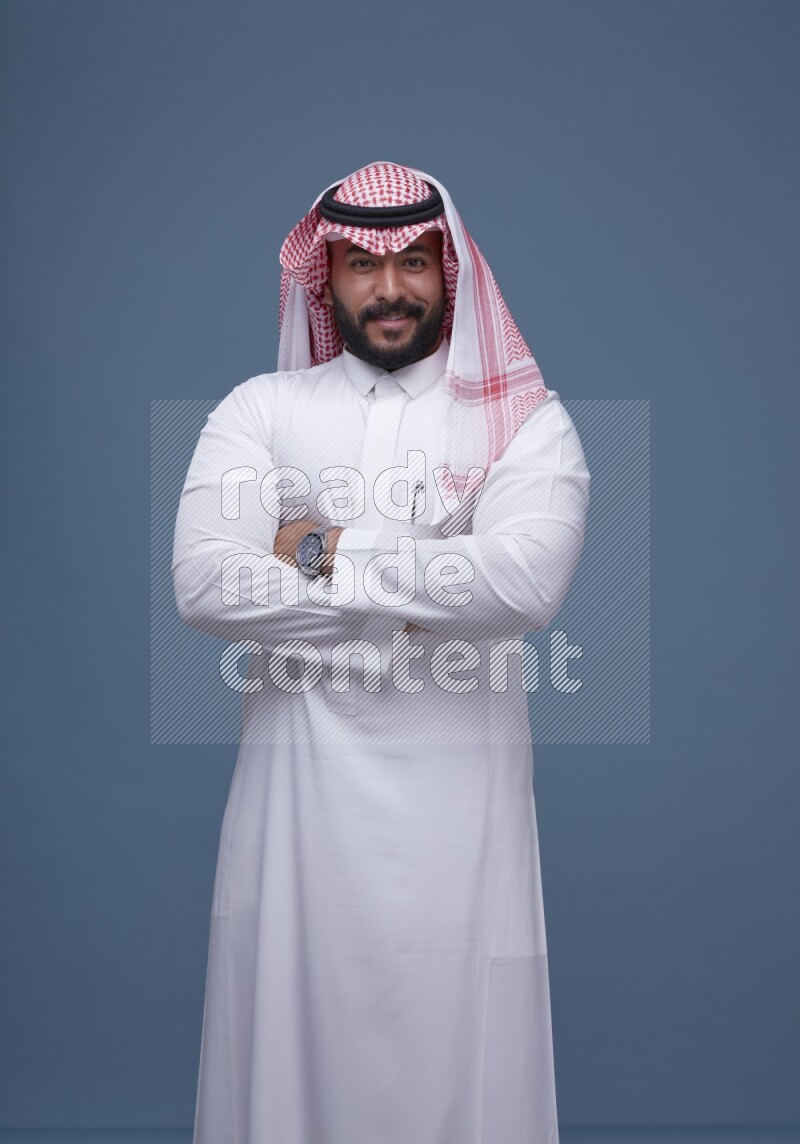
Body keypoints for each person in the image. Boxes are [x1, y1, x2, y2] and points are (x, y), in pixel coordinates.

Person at [173, 161, 590, 1144]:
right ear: (325, 277)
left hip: (460, 824)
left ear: (449, 268)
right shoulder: (258, 412)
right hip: (298, 816)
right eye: (361, 264)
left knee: (459, 1052)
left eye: (412, 261)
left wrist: (317, 549)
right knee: (287, 1050)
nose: (389, 287)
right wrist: (435, 584)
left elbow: (524, 584)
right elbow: (204, 583)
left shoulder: (524, 421)